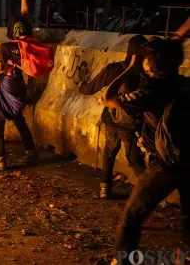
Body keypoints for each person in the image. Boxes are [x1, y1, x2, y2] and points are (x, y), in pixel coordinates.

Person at [101, 17, 190, 265]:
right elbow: (170, 46)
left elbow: (107, 98)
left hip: (165, 163)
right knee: (187, 217)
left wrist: (130, 67)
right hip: (187, 160)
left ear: (154, 65)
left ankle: (122, 261)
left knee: (132, 216)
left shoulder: (152, 91)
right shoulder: (183, 84)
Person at [78, 35, 147, 199]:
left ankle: (105, 188)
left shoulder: (113, 69)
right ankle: (147, 191)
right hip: (131, 122)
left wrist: (81, 85)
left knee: (109, 152)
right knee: (134, 159)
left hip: (111, 119)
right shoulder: (146, 73)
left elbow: (89, 89)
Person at [0, 0, 38, 171]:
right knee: (18, 118)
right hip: (20, 85)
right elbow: (24, 15)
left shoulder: (4, 47)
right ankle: (31, 152)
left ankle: (0, 160)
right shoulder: (27, 44)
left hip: (8, 87)